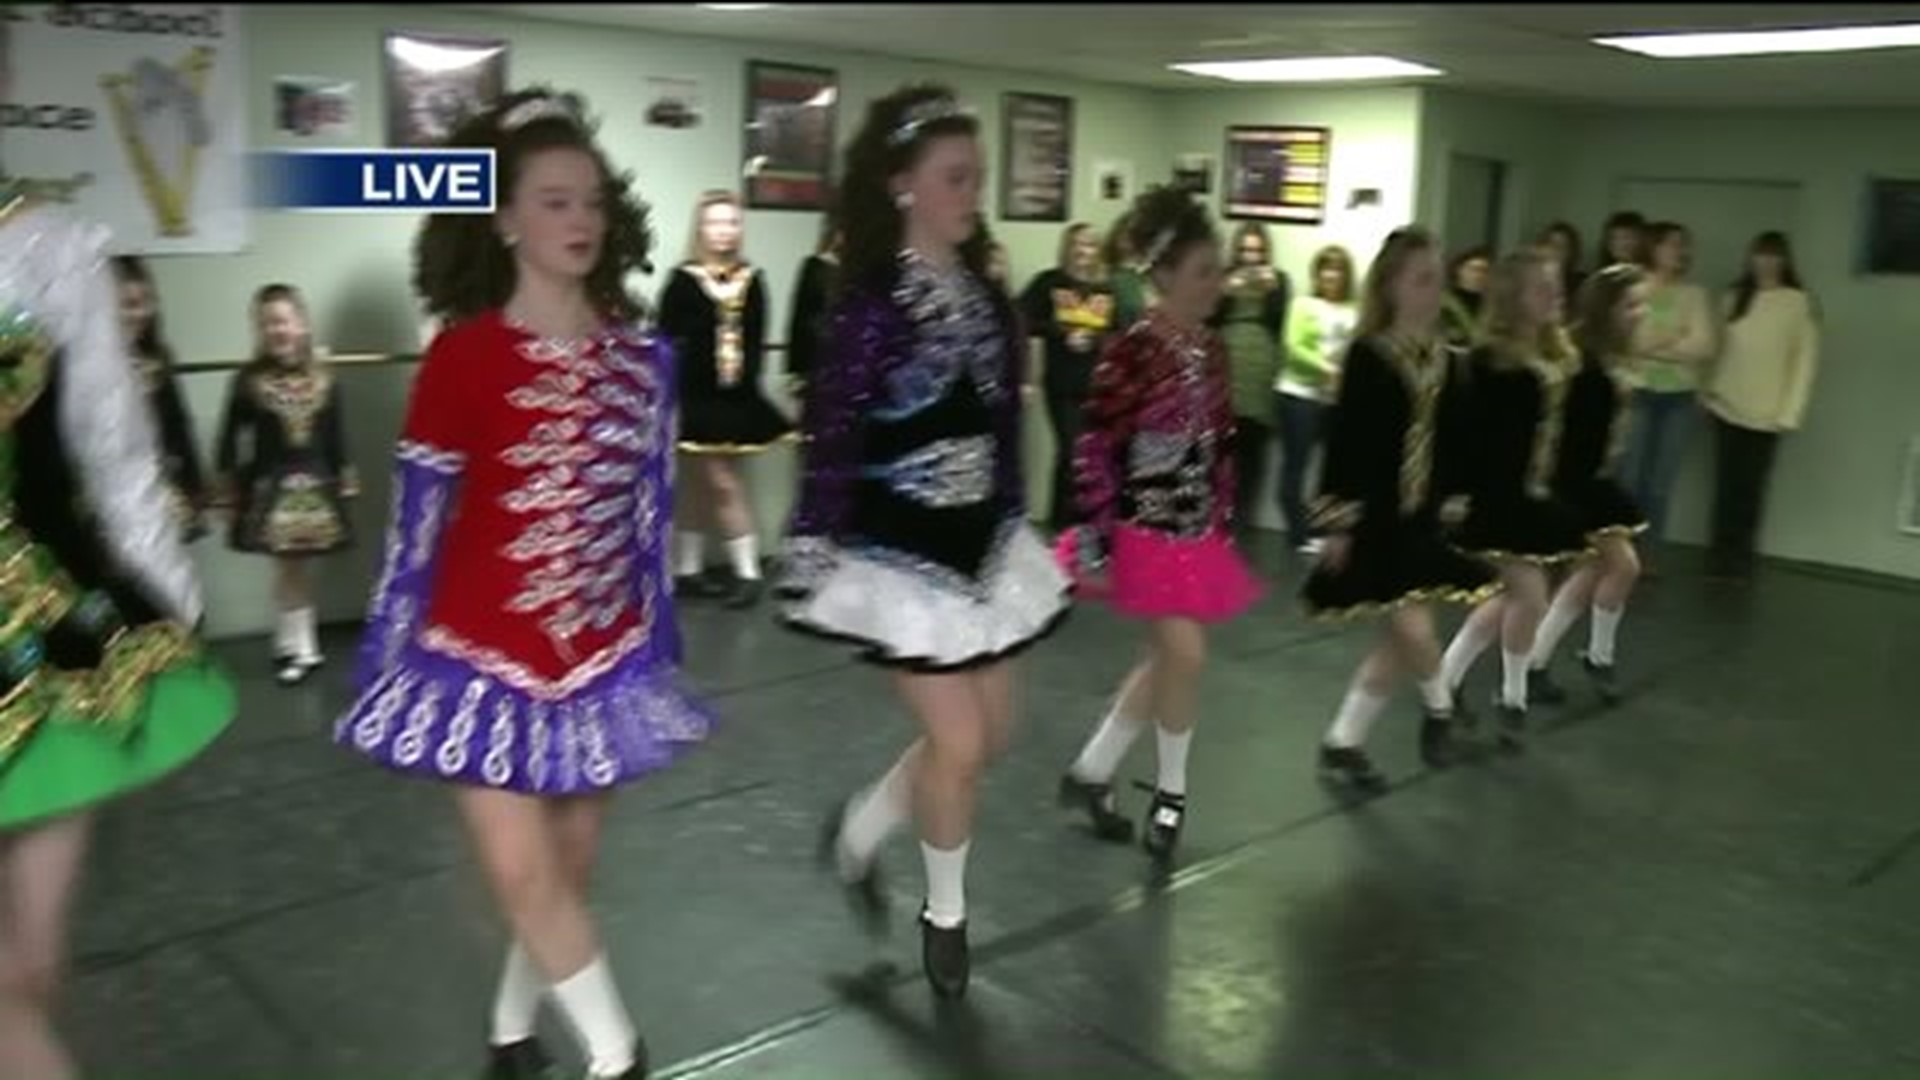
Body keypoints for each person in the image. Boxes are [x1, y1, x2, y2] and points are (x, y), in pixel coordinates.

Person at [336, 88, 711, 1080]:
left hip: (604, 655)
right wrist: (385, 649)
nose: (580, 220)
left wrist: (656, 631)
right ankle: (617, 1054)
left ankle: (511, 1031)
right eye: (553, 201)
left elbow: (649, 512)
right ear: (503, 219)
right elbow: (417, 523)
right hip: (473, 657)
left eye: (590, 200)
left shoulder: (643, 360)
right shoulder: (461, 359)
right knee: (518, 871)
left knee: (564, 877)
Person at [779, 84, 1071, 1000]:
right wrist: (814, 539)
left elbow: (1002, 427)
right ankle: (945, 915)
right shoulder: (869, 305)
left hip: (982, 544)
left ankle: (862, 827)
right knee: (956, 743)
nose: (969, 193)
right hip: (898, 550)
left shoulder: (988, 296)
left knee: (990, 738)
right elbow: (833, 431)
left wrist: (1017, 513)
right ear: (903, 184)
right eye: (954, 178)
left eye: (975, 178)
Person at [0, 126, 236, 1080]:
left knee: (34, 967)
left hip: (52, 645)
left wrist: (171, 606)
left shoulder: (48, 245)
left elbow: (117, 448)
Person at [1055, 187, 1263, 859]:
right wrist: (1099, 529)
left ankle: (1091, 773)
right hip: (1141, 526)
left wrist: (1223, 517)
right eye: (1205, 270)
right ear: (1165, 273)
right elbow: (1094, 444)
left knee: (1166, 659)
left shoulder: (1213, 349)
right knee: (1186, 655)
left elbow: (1222, 442)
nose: (1218, 283)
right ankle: (1172, 792)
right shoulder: (1134, 349)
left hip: (1196, 528)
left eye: (1220, 270)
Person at [1302, 226, 1496, 792]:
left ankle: (1343, 742)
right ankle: (1440, 712)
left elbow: (1460, 440)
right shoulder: (1368, 354)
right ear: (1391, 286)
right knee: (1411, 624)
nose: (1434, 291)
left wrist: (1460, 500)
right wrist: (1337, 521)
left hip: (1423, 516)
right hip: (1375, 515)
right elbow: (1347, 442)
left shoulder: (1449, 359)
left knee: (1400, 639)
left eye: (1438, 280)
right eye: (1422, 280)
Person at [1436, 249, 1592, 748]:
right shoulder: (1490, 362)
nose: (1554, 296)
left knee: (1510, 597)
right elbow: (1470, 436)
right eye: (1540, 288)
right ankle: (1512, 698)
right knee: (1530, 594)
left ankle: (1447, 682)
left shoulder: (1556, 354)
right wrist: (1457, 493)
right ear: (1511, 297)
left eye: (1556, 287)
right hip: (1497, 495)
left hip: (1532, 491)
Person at [213, 283, 359, 686]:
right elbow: (231, 434)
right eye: (266, 323)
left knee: (292, 568)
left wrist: (345, 472)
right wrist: (226, 480)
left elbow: (335, 434)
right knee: (289, 567)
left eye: (282, 320)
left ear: (302, 324)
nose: (275, 329)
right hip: (271, 485)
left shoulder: (326, 379)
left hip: (316, 483)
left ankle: (292, 640)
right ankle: (303, 647)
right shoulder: (248, 380)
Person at [658, 191, 796, 608]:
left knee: (720, 482)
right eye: (715, 222)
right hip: (693, 397)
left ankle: (746, 572)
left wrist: (741, 384)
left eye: (732, 222)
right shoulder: (683, 280)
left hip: (735, 400)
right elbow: (666, 336)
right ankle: (689, 570)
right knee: (703, 485)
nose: (724, 230)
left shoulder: (752, 280)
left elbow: (755, 337)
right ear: (701, 228)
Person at [1526, 263, 1652, 704]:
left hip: (1592, 473)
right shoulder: (1580, 356)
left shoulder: (1613, 353)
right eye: (1632, 304)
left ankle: (1535, 663)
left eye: (1642, 304)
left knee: (1588, 574)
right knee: (1623, 565)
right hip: (1572, 478)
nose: (1641, 313)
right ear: (1608, 308)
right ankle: (1598, 654)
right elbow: (1562, 424)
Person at [1702, 230, 1820, 583]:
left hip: (1768, 412)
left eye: (1773, 256)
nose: (1765, 262)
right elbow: (1716, 350)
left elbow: (1805, 362)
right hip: (1726, 404)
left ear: (1784, 261)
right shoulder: (1734, 298)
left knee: (1750, 489)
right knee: (1724, 484)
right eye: (1759, 255)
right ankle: (1719, 556)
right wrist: (1706, 392)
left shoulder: (1799, 302)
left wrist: (1790, 412)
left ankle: (1741, 557)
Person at [1619, 221, 1716, 556]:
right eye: (1672, 244)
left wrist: (1651, 345)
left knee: (1660, 483)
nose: (1679, 251)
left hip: (1680, 398)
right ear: (1653, 247)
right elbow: (1625, 341)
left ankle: (1648, 553)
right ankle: (1618, 553)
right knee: (1628, 478)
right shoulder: (1631, 288)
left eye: (1683, 245)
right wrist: (1675, 337)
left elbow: (1704, 346)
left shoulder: (1695, 294)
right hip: (1636, 391)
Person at [1019, 222, 1117, 531]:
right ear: (1067, 247)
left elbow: (1120, 334)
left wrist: (1096, 340)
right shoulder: (1049, 282)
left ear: (1098, 251)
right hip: (1060, 382)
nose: (1082, 250)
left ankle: (1080, 525)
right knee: (1071, 450)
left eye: (1089, 244)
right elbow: (1022, 317)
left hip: (1097, 384)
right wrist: (1061, 334)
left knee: (1088, 456)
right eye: (1077, 243)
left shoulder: (1107, 289)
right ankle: (1061, 526)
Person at [110, 255, 208, 541]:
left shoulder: (157, 361)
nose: (135, 315)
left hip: (156, 483)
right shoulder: (83, 365)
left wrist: (194, 483)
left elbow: (178, 424)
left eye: (142, 305)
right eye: (125, 306)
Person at [1276, 245, 1358, 555]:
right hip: (1299, 394)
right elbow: (1293, 346)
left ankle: (1320, 528)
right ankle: (1298, 534)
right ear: (1317, 273)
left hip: (1336, 401)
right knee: (1296, 465)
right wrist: (1327, 369)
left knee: (1332, 470)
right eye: (1325, 268)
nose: (1331, 275)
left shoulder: (1355, 309)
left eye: (1337, 269)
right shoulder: (1303, 304)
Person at [1211, 220, 1291, 527]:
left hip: (1261, 361)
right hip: (1226, 356)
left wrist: (1271, 291)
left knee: (1254, 445)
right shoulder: (1223, 278)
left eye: (1257, 251)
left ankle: (1243, 516)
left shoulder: (1278, 279)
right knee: (1221, 444)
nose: (1250, 257)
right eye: (1245, 250)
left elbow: (1280, 320)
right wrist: (1226, 290)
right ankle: (1218, 515)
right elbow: (1210, 317)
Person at [786, 210, 842, 406]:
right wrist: (795, 371)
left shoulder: (865, 269)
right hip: (816, 358)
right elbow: (798, 318)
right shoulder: (814, 266)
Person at [1439, 245, 1491, 350]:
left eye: (1485, 271)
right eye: (1474, 270)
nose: (1479, 276)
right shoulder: (1443, 303)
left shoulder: (1490, 305)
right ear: (1459, 271)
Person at [1537, 221, 1587, 303]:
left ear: (1571, 252)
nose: (1554, 250)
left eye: (1561, 247)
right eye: (1550, 244)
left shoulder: (1582, 285)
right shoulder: (1532, 280)